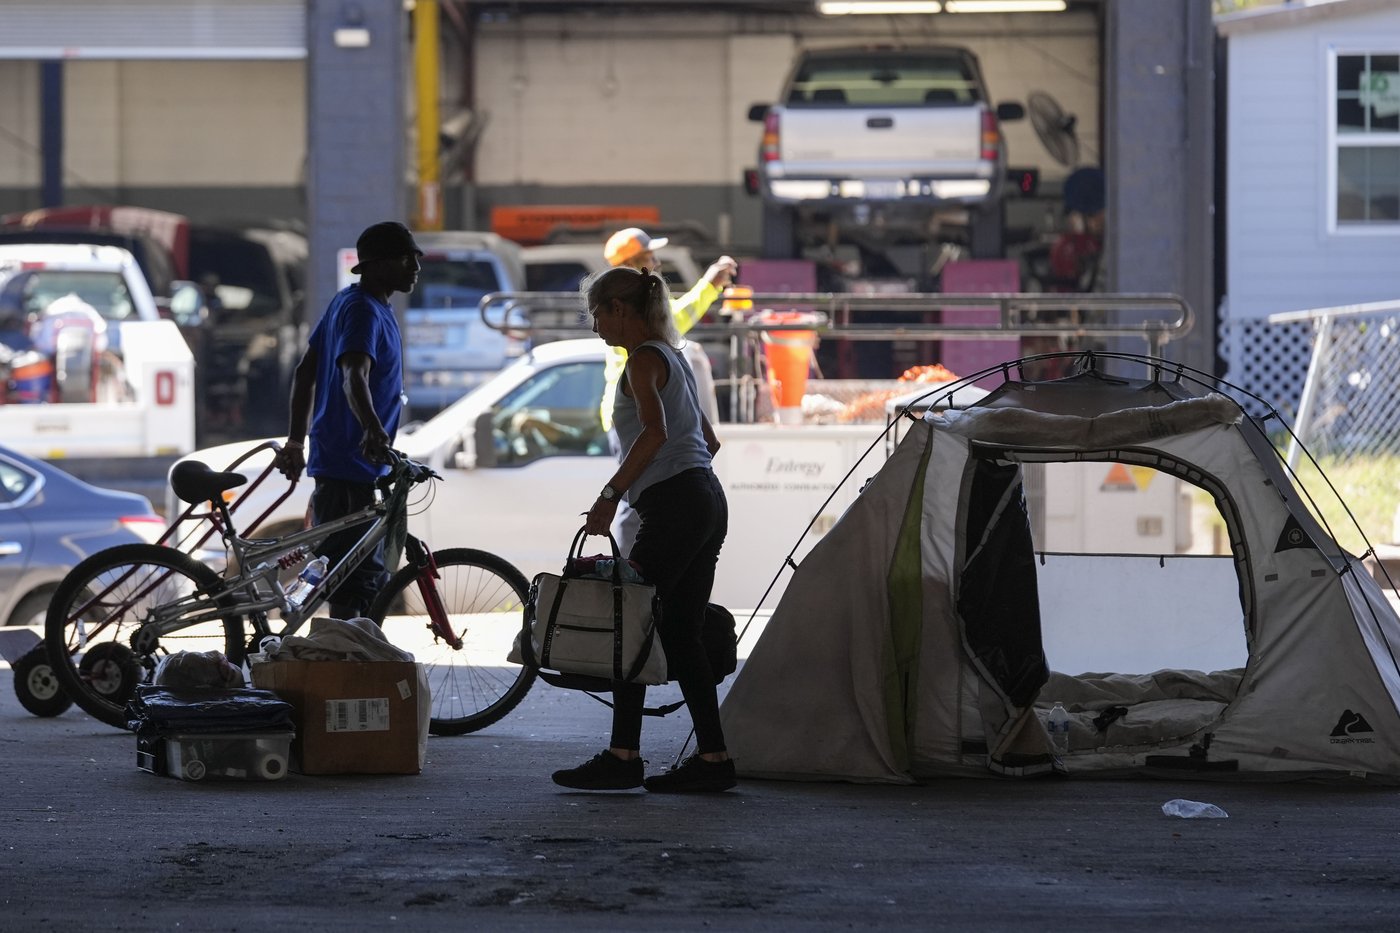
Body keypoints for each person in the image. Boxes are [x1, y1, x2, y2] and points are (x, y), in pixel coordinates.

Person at [552, 265, 734, 794]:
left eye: (597, 313)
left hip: (676, 503)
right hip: (705, 499)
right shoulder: (674, 358)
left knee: (629, 622)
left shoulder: (640, 363)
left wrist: (609, 498)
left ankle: (623, 756)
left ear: (620, 310)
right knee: (680, 631)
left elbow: (653, 433)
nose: (594, 326)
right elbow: (708, 440)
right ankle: (715, 759)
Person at [271, 221, 421, 620]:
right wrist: (372, 428)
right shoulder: (361, 310)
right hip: (347, 462)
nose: (415, 266)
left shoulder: (351, 303)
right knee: (351, 579)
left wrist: (295, 441)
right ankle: (342, 661)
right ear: (375, 265)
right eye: (405, 258)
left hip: (350, 462)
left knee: (345, 572)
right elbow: (353, 373)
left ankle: (342, 657)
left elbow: (307, 371)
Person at [600, 227, 736, 549]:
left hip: (638, 416)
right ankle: (631, 573)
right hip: (634, 417)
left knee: (636, 502)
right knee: (634, 508)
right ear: (633, 266)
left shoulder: (650, 350)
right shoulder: (650, 348)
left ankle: (631, 580)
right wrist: (710, 286)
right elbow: (704, 442)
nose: (657, 263)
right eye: (650, 258)